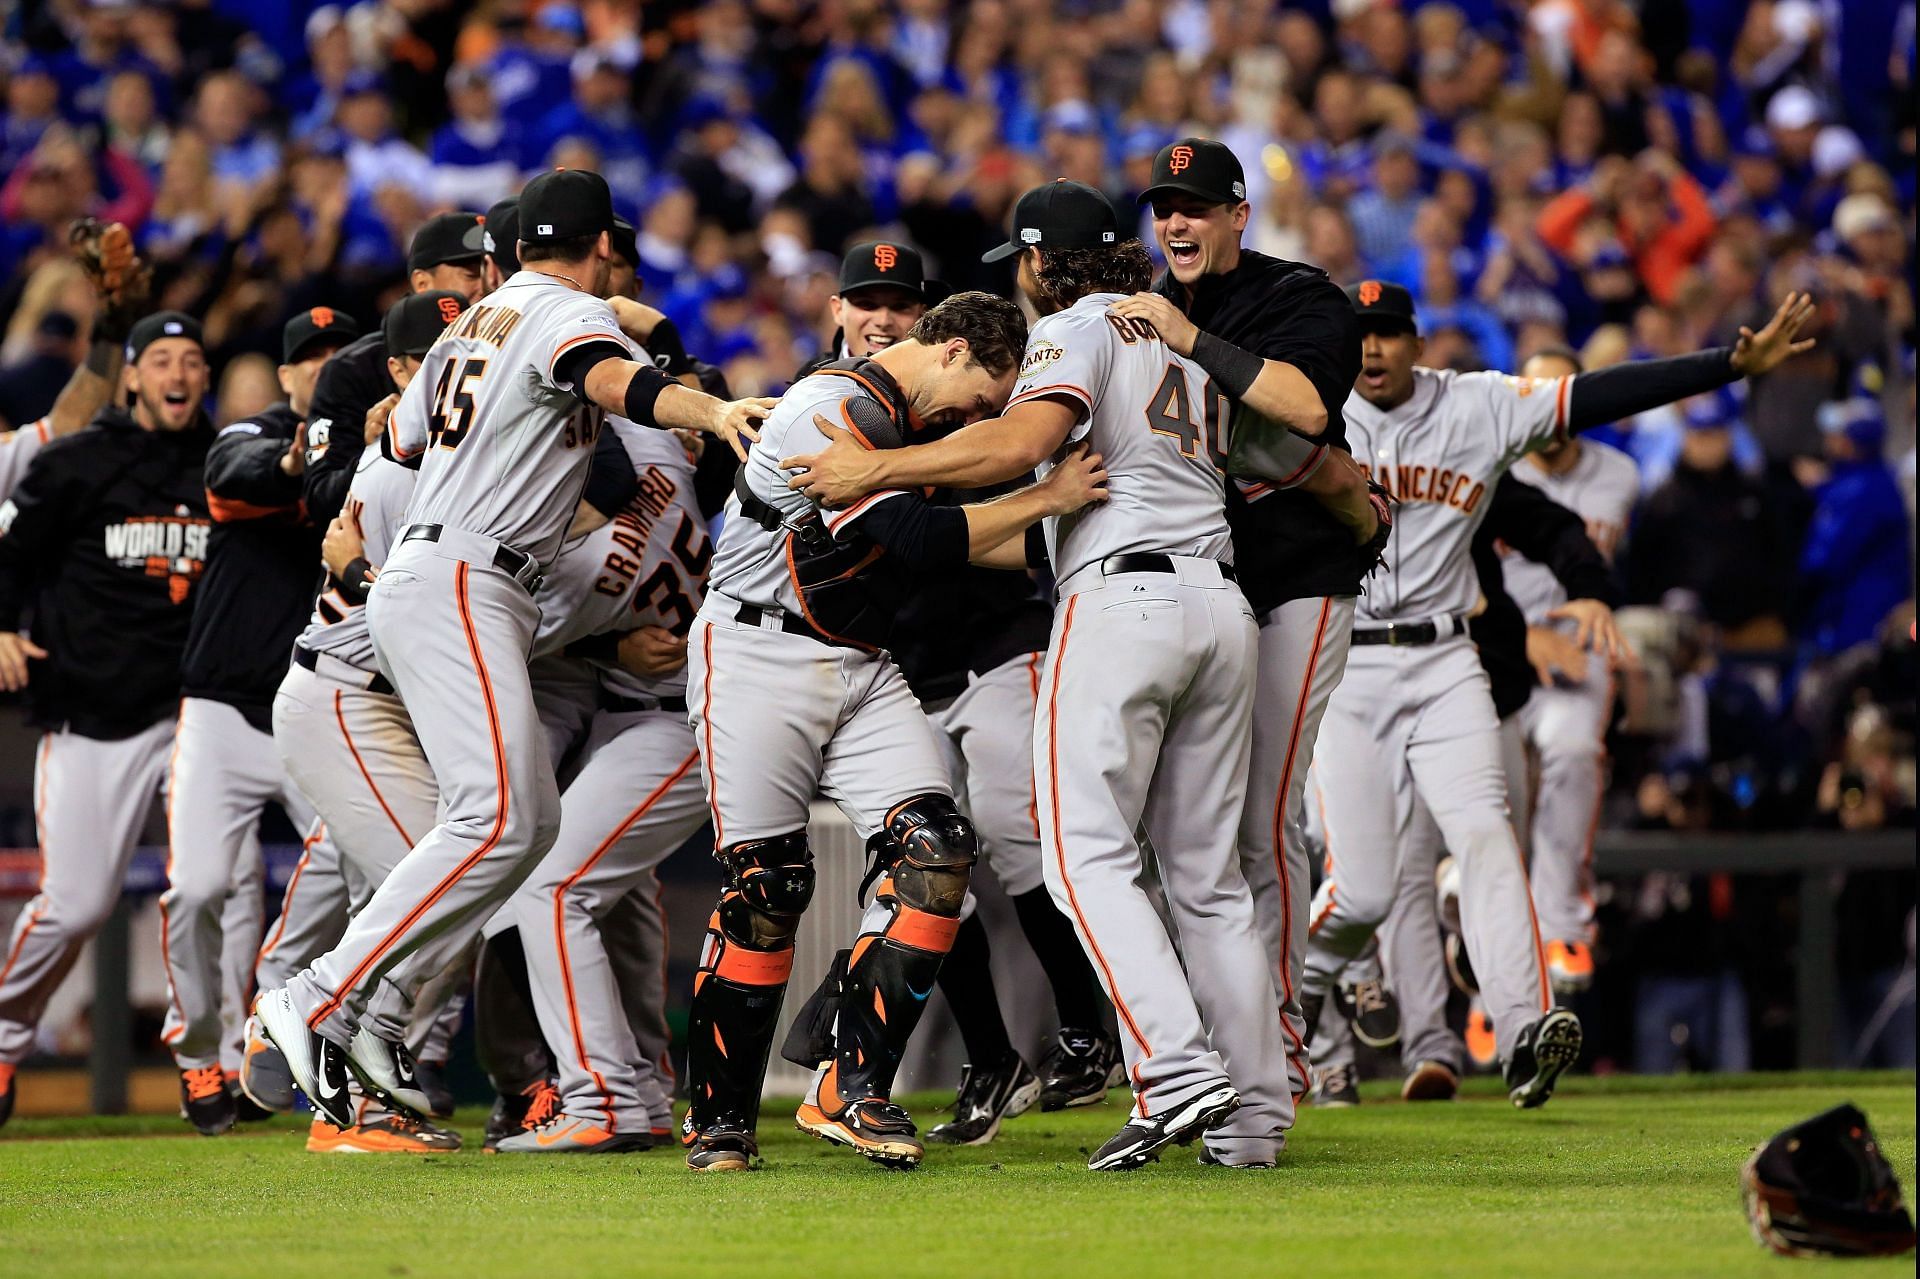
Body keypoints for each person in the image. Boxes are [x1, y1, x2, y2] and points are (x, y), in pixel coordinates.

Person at [783, 180, 1291, 1171]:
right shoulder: (1180, 333)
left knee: (1081, 859)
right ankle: (1254, 1121)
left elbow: (1022, 443)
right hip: (1219, 601)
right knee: (1207, 881)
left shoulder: (1074, 325)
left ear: (1036, 264)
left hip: (1123, 599)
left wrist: (870, 473)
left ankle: (1177, 1069)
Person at [252, 169, 770, 1133]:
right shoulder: (562, 317)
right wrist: (710, 412)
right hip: (465, 578)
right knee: (500, 818)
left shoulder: (466, 325)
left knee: (522, 826)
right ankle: (319, 995)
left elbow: (399, 437)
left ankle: (359, 1007)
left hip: (447, 569)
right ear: (598, 248)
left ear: (512, 248)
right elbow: (616, 382)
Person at [1300, 281, 1814, 1109]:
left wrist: (1728, 365)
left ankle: (1522, 1028)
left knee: (1488, 837)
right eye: (1361, 334)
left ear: (1419, 343)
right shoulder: (1308, 405)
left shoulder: (1480, 406)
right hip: (1345, 665)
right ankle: (1296, 993)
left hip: (1445, 660)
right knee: (1360, 887)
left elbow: (1608, 391)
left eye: (1390, 333)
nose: (1373, 348)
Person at [680, 289, 1105, 1173]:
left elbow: (961, 538)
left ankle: (852, 1086)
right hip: (756, 650)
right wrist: (1047, 496)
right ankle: (720, 1120)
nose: (980, 419)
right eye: (985, 396)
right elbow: (911, 534)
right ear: (951, 352)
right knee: (769, 887)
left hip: (861, 659)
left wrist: (1072, 533)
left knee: (940, 849)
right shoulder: (826, 408)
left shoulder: (903, 431)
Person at [1103, 137, 1382, 1132]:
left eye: (1196, 205)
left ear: (1237, 215)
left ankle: (1281, 1043)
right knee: (1187, 828)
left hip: (1299, 579)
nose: (1176, 221)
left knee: (1264, 815)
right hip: (1205, 592)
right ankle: (1214, 1043)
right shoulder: (1140, 302)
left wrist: (1184, 335)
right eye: (1163, 206)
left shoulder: (1301, 295)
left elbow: (1306, 409)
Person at [1309, 474, 1627, 1106]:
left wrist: (1588, 589)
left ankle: (1515, 1031)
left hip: (1474, 689)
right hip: (1354, 679)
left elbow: (1551, 524)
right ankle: (1402, 1036)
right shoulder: (1322, 449)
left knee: (1486, 849)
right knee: (1377, 884)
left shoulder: (1466, 455)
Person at [249, 292, 474, 1154]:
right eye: (430, 363)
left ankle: (347, 1077)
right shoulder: (398, 471)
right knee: (432, 893)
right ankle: (318, 1053)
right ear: (402, 374)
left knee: (431, 896)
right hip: (346, 695)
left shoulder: (445, 460)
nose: (448, 377)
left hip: (383, 706)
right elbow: (411, 617)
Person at [0, 313, 214, 1131]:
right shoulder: (75, 463)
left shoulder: (225, 461)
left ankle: (210, 1059)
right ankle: (5, 1036)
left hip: (197, 710)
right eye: (161, 358)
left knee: (211, 888)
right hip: (91, 711)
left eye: (193, 359)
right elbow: (8, 554)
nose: (179, 372)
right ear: (130, 377)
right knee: (76, 902)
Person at [157, 306, 360, 1133]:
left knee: (368, 876)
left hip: (320, 711)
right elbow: (235, 476)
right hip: (226, 711)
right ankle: (199, 1052)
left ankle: (311, 1039)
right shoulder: (259, 432)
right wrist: (301, 452)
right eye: (306, 358)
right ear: (285, 377)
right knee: (198, 886)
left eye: (336, 355)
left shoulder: (385, 452)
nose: (320, 367)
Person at [1499, 347, 1640, 994]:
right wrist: (1520, 635)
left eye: (1562, 395)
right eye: (1536, 394)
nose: (1550, 411)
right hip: (1488, 649)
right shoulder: (1488, 462)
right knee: (1484, 799)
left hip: (1576, 656)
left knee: (1574, 748)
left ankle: (1562, 927)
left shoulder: (1621, 476)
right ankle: (1481, 956)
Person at [300, 211, 489, 527]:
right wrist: (377, 453)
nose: (488, 284)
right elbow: (322, 501)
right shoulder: (354, 370)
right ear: (422, 283)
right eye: (471, 274)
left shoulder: (515, 353)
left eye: (492, 270)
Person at [797, 240, 932, 375]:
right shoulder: (808, 381)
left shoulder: (939, 387)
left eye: (900, 307)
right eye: (867, 305)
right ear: (838, 310)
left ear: (922, 316)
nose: (883, 321)